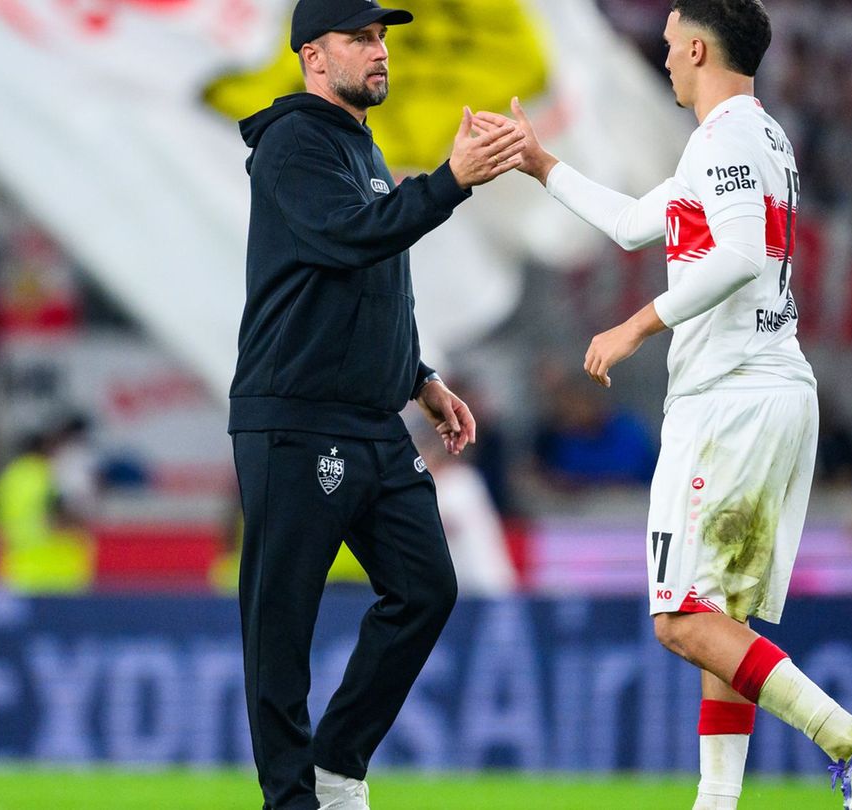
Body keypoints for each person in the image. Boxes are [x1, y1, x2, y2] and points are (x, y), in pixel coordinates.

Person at [505, 3, 852, 808]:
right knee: (721, 624)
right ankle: (715, 803)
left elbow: (740, 254)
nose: (662, 59)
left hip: (729, 400)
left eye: (666, 45)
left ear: (696, 46)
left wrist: (636, 324)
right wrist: (540, 163)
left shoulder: (722, 139)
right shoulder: (759, 139)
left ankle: (850, 739)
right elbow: (629, 225)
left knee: (682, 619)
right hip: (772, 389)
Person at [227, 2, 524, 808]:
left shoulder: (357, 144)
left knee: (428, 587)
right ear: (314, 58)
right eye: (361, 37)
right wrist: (453, 180)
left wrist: (417, 377)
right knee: (281, 627)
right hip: (295, 416)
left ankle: (335, 766)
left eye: (382, 35)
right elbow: (353, 239)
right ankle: (293, 801)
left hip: (367, 418)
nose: (380, 49)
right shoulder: (292, 143)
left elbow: (372, 274)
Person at [0, 430, 96, 594]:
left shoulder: (6, 481)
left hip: (18, 569)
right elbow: (57, 517)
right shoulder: (47, 476)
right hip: (56, 571)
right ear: (46, 448)